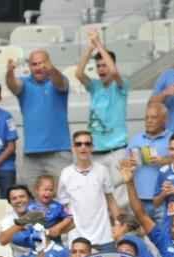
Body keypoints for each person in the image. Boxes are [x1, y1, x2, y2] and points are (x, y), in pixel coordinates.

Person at [6, 49, 71, 186]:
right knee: (34, 202)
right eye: (34, 64)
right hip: (31, 156)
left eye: (42, 63)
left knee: (63, 197)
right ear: (29, 66)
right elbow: (13, 85)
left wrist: (51, 68)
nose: (38, 67)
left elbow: (60, 82)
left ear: (49, 64)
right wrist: (10, 71)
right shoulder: (24, 83)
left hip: (58, 152)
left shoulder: (58, 80)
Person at [76, 31, 129, 194]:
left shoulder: (121, 85)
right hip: (96, 152)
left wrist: (99, 44)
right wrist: (90, 48)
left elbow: (114, 72)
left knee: (120, 199)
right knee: (98, 195)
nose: (101, 69)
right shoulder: (94, 86)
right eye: (98, 66)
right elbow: (78, 74)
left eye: (104, 64)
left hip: (116, 152)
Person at [58, 131, 120, 251]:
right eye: (79, 144)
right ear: (73, 148)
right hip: (77, 238)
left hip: (104, 237)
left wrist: (118, 225)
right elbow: (63, 206)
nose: (83, 147)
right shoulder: (66, 173)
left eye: (87, 144)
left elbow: (111, 200)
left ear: (92, 147)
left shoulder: (102, 170)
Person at [127, 103, 172, 223]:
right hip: (138, 199)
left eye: (154, 117)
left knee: (164, 237)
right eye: (146, 118)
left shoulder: (172, 139)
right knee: (136, 239)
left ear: (164, 120)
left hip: (163, 200)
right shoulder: (135, 139)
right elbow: (124, 165)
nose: (149, 121)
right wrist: (128, 163)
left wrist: (164, 161)